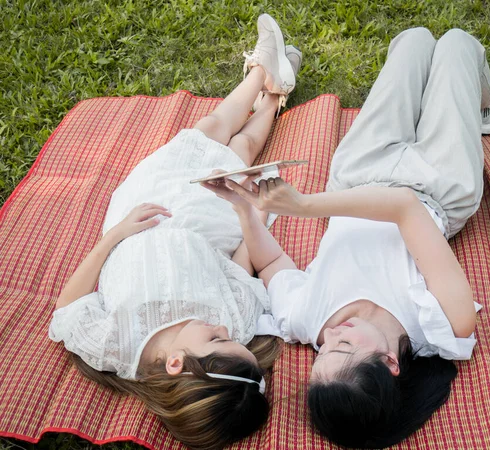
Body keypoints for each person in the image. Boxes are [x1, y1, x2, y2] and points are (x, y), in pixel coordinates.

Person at [203, 27, 490, 448]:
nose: (331, 339)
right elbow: (404, 208)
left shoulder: (308, 320)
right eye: (343, 349)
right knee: (456, 44)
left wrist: (243, 209)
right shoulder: (443, 326)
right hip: (438, 186)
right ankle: (484, 104)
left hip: (357, 175)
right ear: (392, 363)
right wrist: (305, 206)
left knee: (413, 41)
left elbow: (269, 264)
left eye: (322, 356)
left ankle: (467, 97)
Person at [48, 14, 301, 450]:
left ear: (176, 364)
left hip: (139, 215)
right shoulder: (233, 325)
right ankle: (270, 87)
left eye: (216, 338)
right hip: (208, 223)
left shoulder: (117, 347)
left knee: (204, 133)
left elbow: (67, 306)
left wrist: (114, 237)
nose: (223, 327)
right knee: (235, 149)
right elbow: (239, 269)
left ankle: (268, 79)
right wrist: (248, 210)